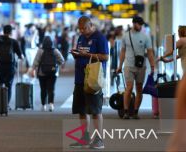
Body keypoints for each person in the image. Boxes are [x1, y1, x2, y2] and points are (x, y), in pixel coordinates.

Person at [69, 16, 109, 149]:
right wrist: (76, 54)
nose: (82, 31)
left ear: (91, 25)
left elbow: (105, 57)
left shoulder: (100, 37)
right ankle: (85, 137)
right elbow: (81, 52)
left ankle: (99, 139)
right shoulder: (80, 38)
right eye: (80, 28)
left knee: (95, 110)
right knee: (81, 110)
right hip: (80, 78)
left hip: (93, 78)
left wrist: (87, 56)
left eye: (84, 28)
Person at [116, 16, 155, 120]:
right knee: (128, 88)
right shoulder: (125, 36)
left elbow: (150, 53)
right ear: (134, 23)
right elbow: (122, 52)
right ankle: (126, 112)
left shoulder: (145, 37)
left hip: (141, 67)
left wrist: (152, 66)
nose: (141, 26)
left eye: (141, 25)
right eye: (139, 24)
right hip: (128, 66)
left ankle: (136, 112)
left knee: (139, 89)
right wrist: (119, 66)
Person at [28, 36, 64, 112]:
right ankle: (51, 105)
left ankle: (43, 105)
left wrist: (33, 70)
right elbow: (62, 60)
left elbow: (36, 61)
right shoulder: (55, 50)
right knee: (51, 89)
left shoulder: (40, 51)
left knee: (43, 89)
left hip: (42, 73)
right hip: (53, 73)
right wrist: (55, 63)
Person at [0, 25, 23, 109]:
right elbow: (20, 55)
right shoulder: (14, 42)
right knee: (8, 85)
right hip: (10, 67)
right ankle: (6, 104)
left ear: (3, 31)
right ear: (11, 32)